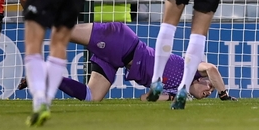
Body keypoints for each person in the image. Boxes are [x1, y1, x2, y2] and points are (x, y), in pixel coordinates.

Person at [19, 22, 236, 102]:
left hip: (116, 60)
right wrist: (223, 94)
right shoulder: (193, 68)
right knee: (63, 31)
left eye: (209, 94)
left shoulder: (175, 90)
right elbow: (212, 68)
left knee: (91, 97)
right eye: (209, 88)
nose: (208, 92)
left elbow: (145, 99)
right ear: (204, 81)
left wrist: (170, 96)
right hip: (121, 41)